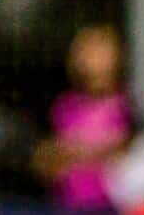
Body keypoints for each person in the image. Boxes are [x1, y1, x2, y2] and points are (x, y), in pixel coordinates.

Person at [33, 24, 134, 213]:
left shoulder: (124, 105)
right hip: (68, 202)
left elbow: (121, 146)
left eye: (102, 52)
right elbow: (48, 158)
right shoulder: (65, 106)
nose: (96, 60)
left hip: (109, 204)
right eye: (89, 52)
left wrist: (75, 150)